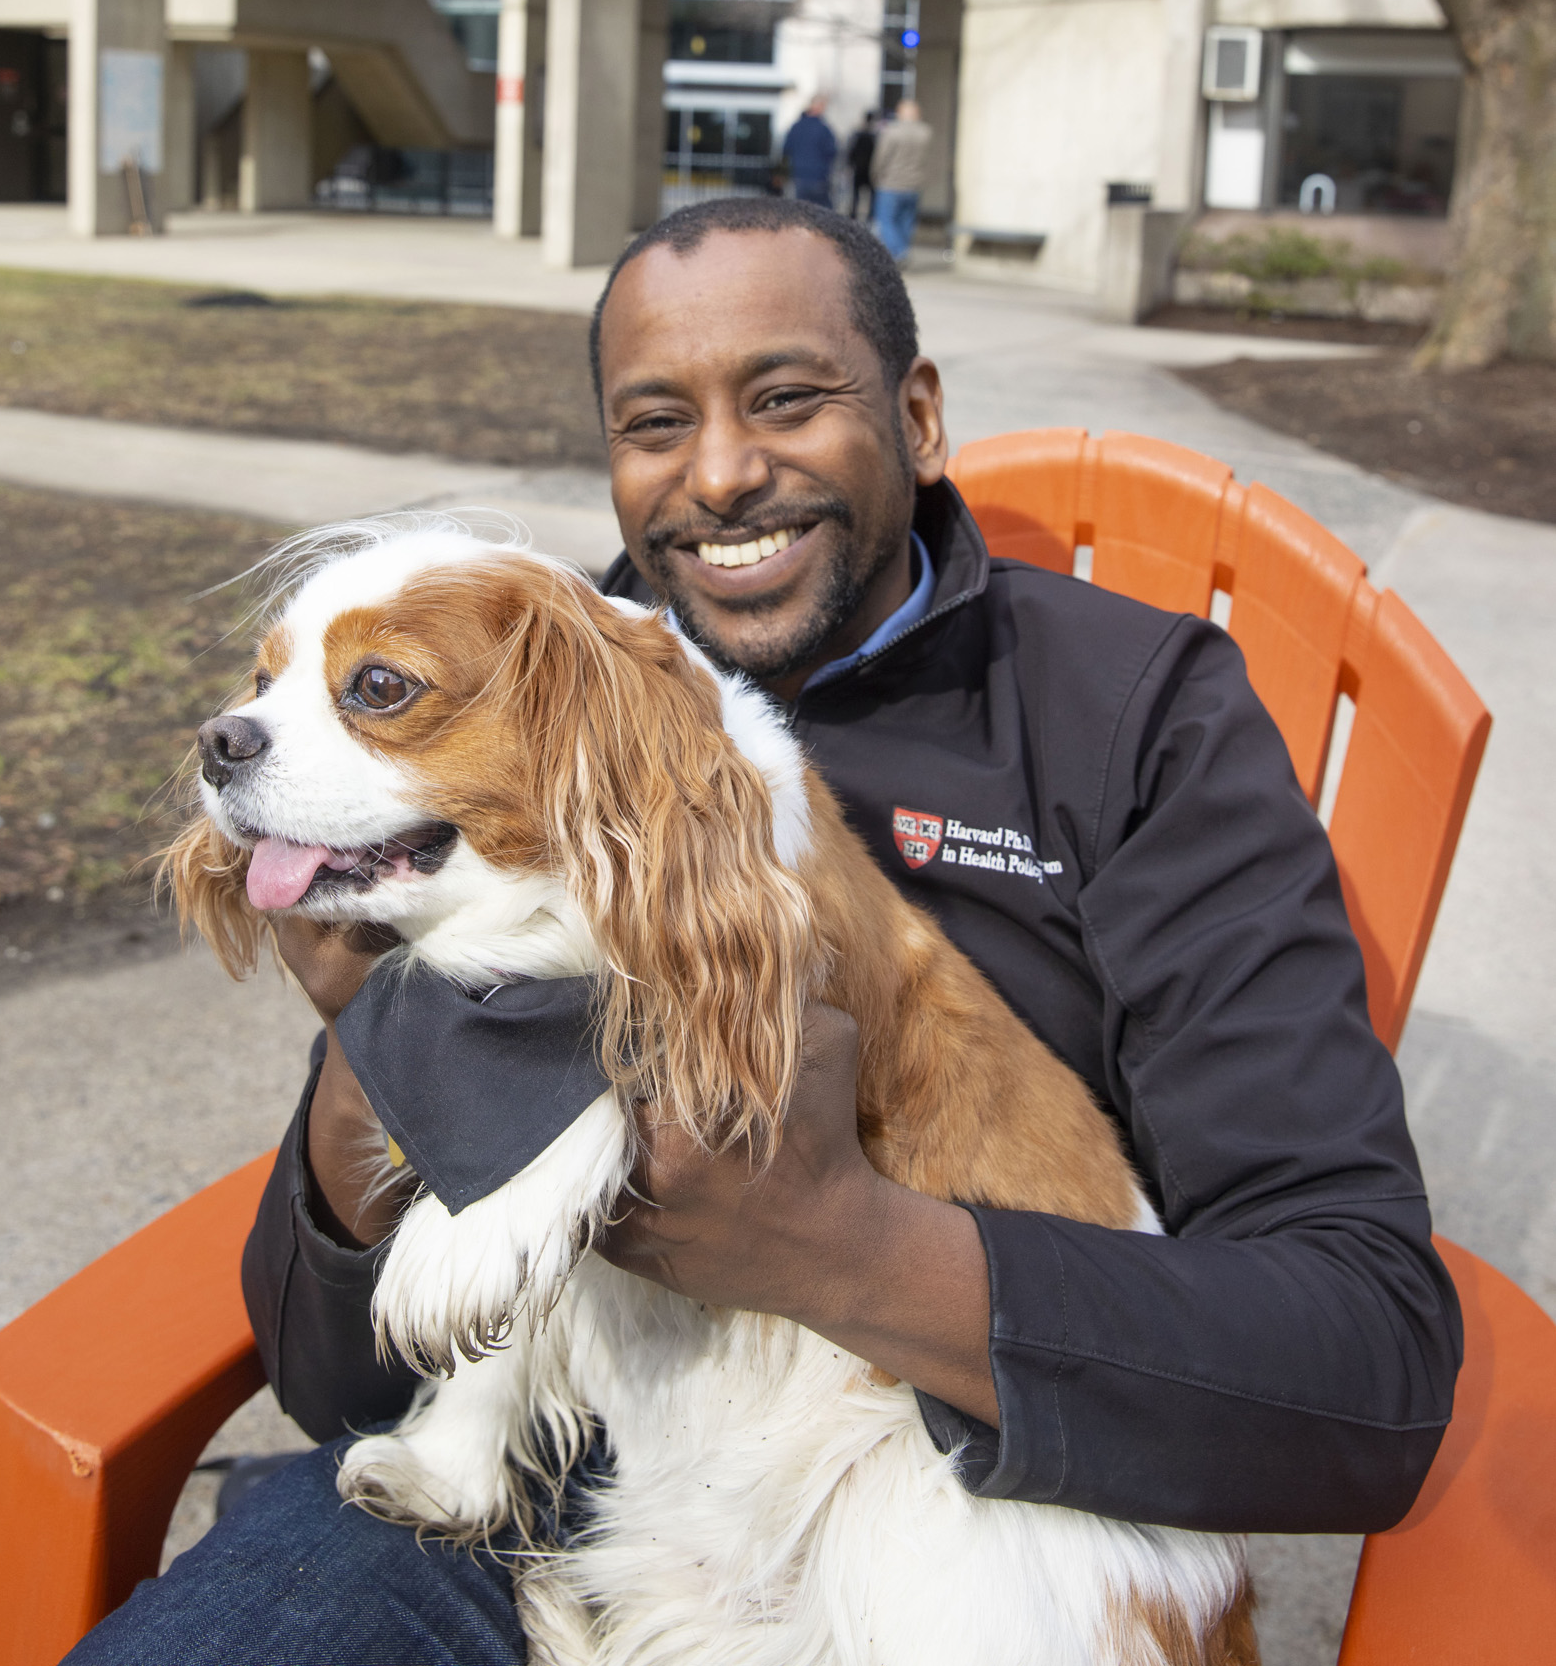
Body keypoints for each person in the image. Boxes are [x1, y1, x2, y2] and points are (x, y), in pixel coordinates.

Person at [71, 197, 1460, 1664]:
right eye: (653, 422)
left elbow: (1357, 1360)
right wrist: (382, 1052)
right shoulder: (515, 685)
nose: (721, 475)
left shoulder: (1134, 714)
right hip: (547, 1462)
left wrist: (839, 1249)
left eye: (787, 399)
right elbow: (334, 1380)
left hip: (930, 1471)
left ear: (917, 417)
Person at [869, 97, 933, 261]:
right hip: (914, 185)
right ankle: (903, 249)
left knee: (887, 221)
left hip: (891, 183)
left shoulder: (892, 131)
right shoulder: (925, 132)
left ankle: (898, 253)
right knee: (906, 223)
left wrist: (875, 176)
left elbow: (881, 158)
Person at [779, 94, 838, 206]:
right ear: (819, 107)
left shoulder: (795, 127)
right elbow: (831, 152)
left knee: (800, 213)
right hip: (818, 177)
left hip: (798, 176)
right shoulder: (823, 129)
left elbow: (786, 149)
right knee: (821, 214)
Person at [845, 109, 878, 220]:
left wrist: (850, 165)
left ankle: (854, 215)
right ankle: (870, 216)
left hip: (859, 168)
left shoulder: (858, 134)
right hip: (870, 169)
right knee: (871, 196)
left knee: (856, 195)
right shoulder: (875, 136)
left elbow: (851, 152)